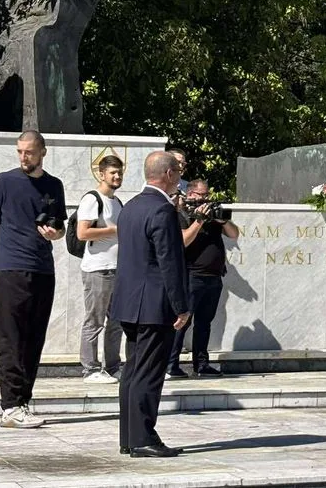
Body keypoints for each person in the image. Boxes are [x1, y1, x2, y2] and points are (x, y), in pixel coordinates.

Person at [0, 130, 67, 429]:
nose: (24, 157)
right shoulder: (4, 181)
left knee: (33, 339)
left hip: (43, 270)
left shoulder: (54, 185)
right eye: (20, 151)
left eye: (29, 152)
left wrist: (56, 234)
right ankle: (10, 407)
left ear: (42, 153)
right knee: (10, 337)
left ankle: (22, 402)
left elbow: (60, 227)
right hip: (11, 269)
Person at [110, 151, 190, 458]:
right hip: (154, 306)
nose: (179, 178)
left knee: (133, 371)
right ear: (169, 174)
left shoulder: (130, 207)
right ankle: (143, 437)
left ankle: (129, 437)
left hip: (129, 304)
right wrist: (181, 306)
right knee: (148, 374)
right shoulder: (162, 210)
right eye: (178, 173)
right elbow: (169, 262)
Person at [166, 178, 239, 379]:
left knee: (204, 323)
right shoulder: (182, 214)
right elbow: (183, 241)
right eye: (201, 195)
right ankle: (171, 365)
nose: (205, 199)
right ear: (190, 194)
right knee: (182, 322)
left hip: (214, 277)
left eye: (207, 195)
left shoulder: (213, 215)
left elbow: (234, 234)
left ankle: (201, 364)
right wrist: (198, 220)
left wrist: (221, 219)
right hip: (191, 276)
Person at [76, 155, 125, 384]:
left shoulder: (117, 202)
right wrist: (113, 230)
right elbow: (82, 233)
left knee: (116, 323)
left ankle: (113, 366)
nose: (117, 177)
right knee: (94, 321)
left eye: (119, 173)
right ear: (101, 174)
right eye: (112, 172)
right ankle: (90, 369)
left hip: (117, 269)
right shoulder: (92, 199)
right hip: (97, 269)